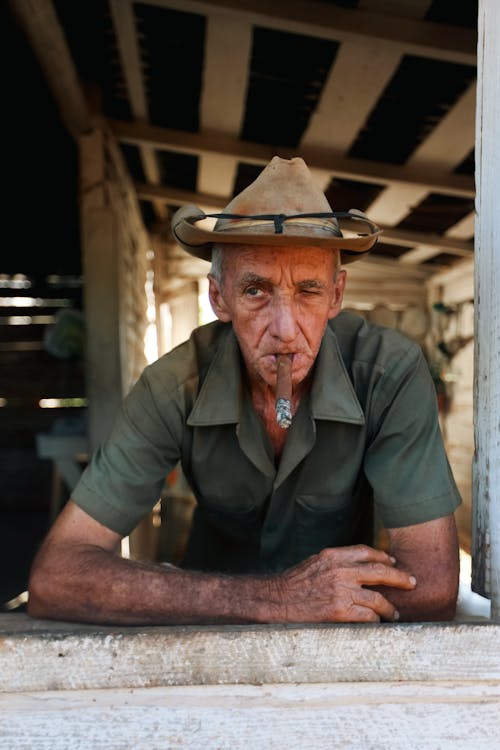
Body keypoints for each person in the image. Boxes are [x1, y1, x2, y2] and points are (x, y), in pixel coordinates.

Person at [28, 157, 461, 625]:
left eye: (308, 291)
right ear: (219, 298)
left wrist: (314, 599)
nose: (284, 330)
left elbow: (432, 585)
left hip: (341, 643)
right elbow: (57, 578)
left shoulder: (387, 373)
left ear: (336, 295)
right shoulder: (172, 386)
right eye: (256, 290)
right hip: (209, 637)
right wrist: (278, 599)